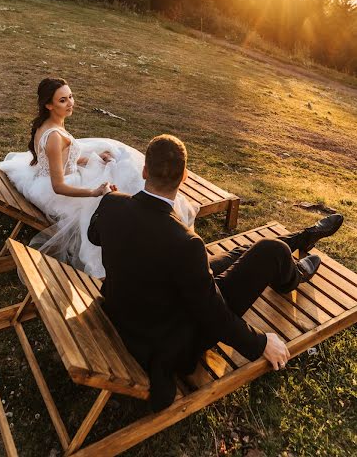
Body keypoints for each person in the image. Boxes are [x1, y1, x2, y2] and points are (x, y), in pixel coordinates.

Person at [87, 134, 344, 412]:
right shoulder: (185, 243)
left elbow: (94, 235)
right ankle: (293, 274)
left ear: (145, 170)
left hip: (138, 306)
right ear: (184, 177)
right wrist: (260, 343)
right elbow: (213, 315)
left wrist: (108, 201)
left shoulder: (112, 203)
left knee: (238, 254)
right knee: (269, 250)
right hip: (173, 336)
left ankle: (299, 239)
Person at [0, 78, 198, 278]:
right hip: (56, 192)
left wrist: (89, 159)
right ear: (48, 105)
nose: (70, 103)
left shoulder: (48, 125)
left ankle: (147, 202)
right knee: (109, 186)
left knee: (113, 161)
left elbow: (62, 160)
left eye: (70, 96)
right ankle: (148, 216)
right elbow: (58, 186)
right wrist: (94, 192)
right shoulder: (54, 137)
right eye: (62, 100)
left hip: (53, 178)